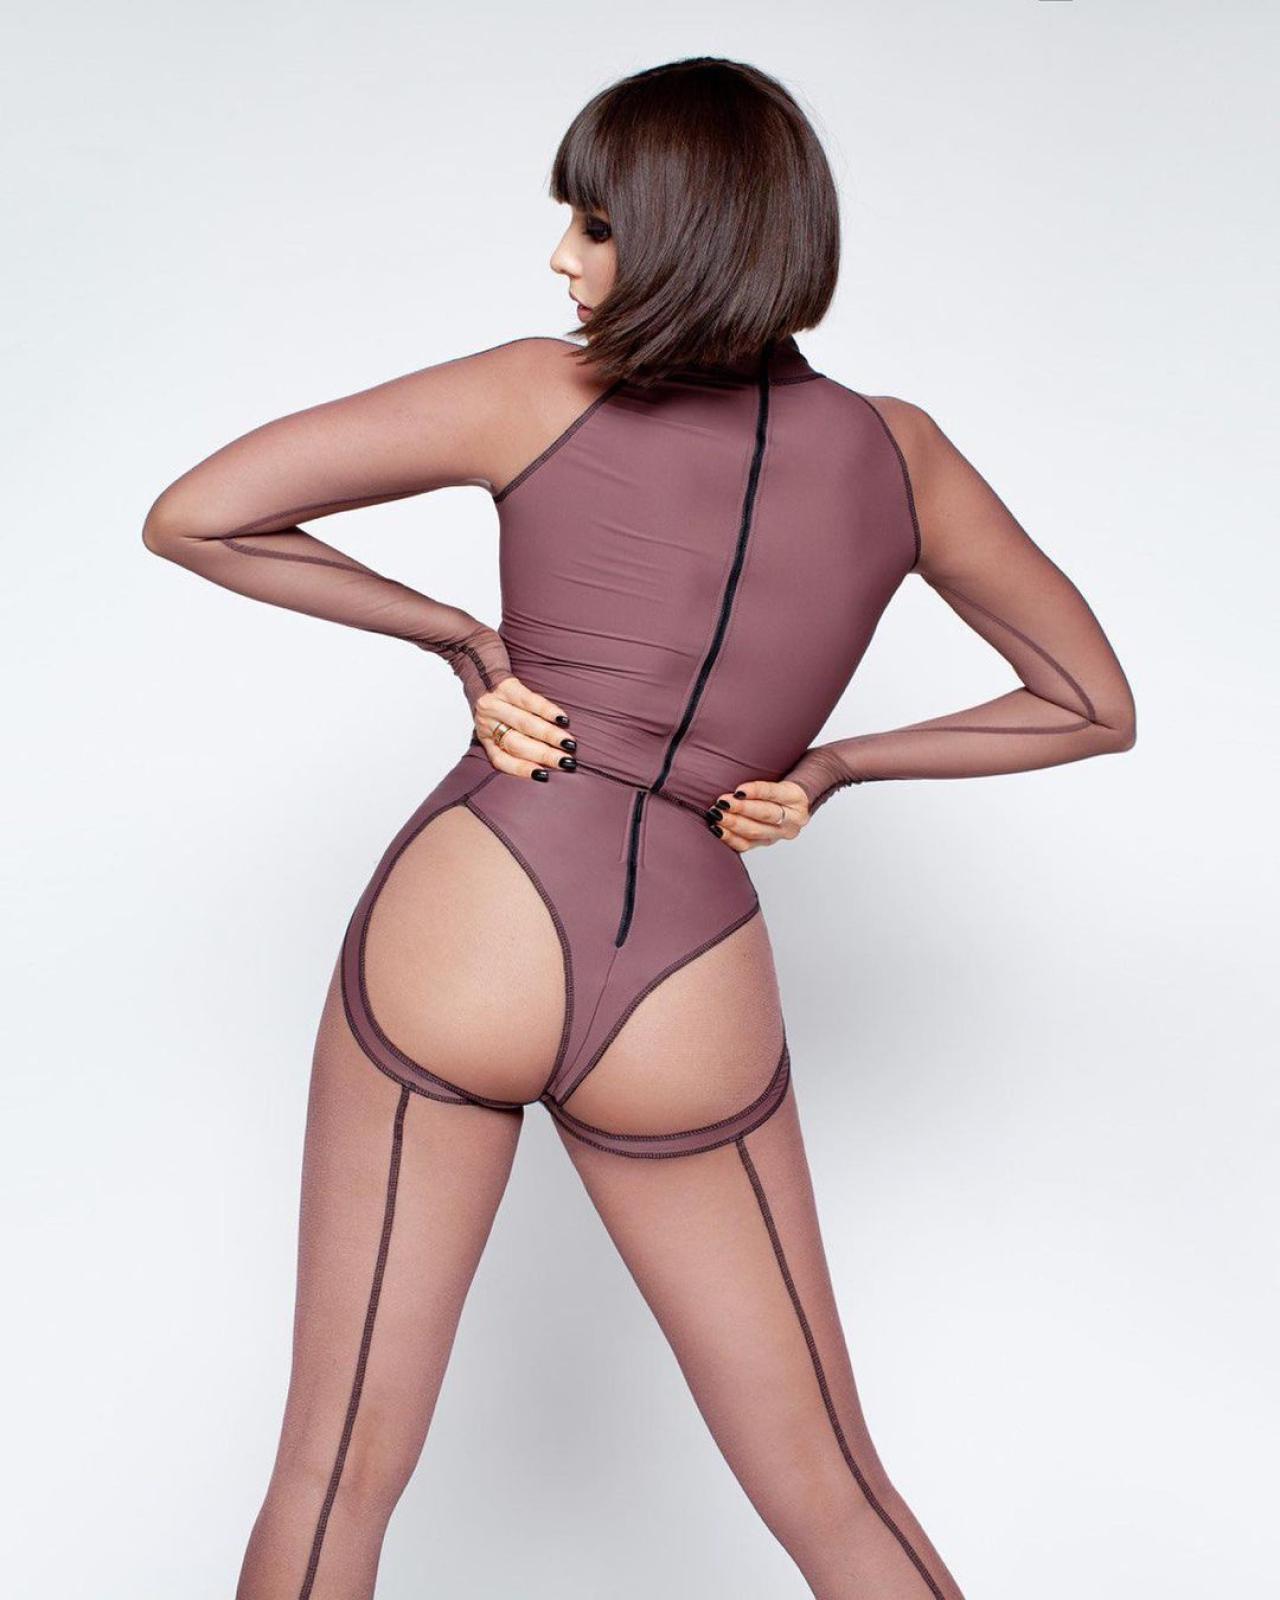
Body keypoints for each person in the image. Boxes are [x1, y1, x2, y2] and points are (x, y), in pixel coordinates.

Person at [142, 54, 1136, 1600]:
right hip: (688, 959)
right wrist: (834, 768)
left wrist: (463, 641)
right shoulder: (904, 454)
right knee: (834, 1492)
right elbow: (1089, 703)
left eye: (595, 225)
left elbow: (195, 513)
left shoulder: (537, 391)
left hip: (477, 909)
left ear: (686, 230)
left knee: (335, 1472)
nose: (562, 259)